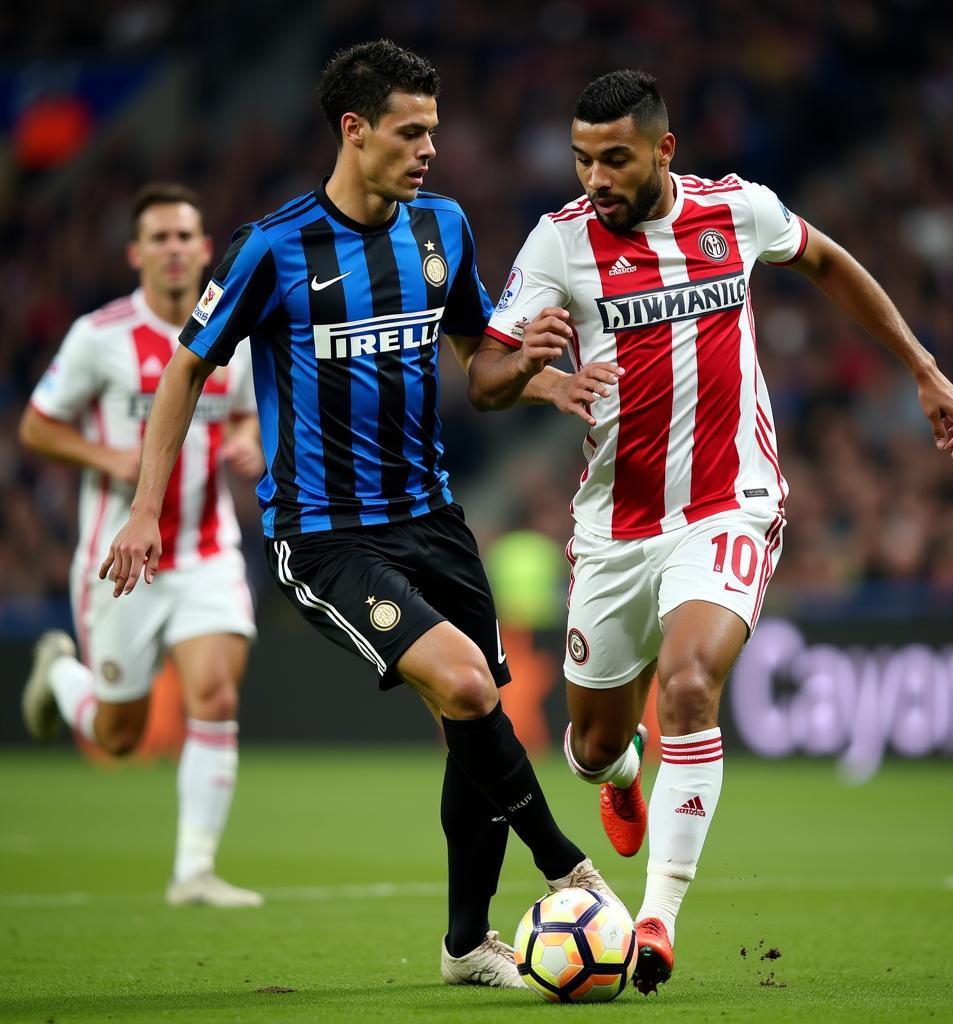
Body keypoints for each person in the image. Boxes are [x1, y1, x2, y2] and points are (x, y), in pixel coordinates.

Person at [98, 40, 622, 988]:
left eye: (434, 130)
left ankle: (467, 946)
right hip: (327, 536)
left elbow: (480, 365)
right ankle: (569, 869)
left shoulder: (445, 229)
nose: (430, 148)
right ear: (354, 130)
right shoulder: (274, 246)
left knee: (476, 721)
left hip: (433, 520)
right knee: (466, 689)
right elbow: (186, 366)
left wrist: (545, 383)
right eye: (410, 131)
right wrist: (144, 508)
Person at [468, 69, 953, 993]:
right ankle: (623, 775)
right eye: (582, 159)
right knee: (588, 746)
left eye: (614, 159)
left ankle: (655, 919)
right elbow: (484, 379)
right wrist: (532, 371)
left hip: (729, 502)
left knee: (691, 684)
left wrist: (922, 366)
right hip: (613, 527)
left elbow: (824, 259)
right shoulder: (558, 243)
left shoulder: (737, 211)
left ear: (663, 150)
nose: (595, 178)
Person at [19, 182, 265, 908]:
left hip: (206, 549)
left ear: (204, 248)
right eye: (158, 238)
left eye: (186, 235)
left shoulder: (235, 332)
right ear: (136, 254)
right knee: (120, 735)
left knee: (216, 692)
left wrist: (248, 443)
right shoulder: (100, 336)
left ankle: (193, 870)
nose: (174, 249)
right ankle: (62, 677)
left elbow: (249, 415)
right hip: (118, 560)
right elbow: (37, 425)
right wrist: (109, 460)